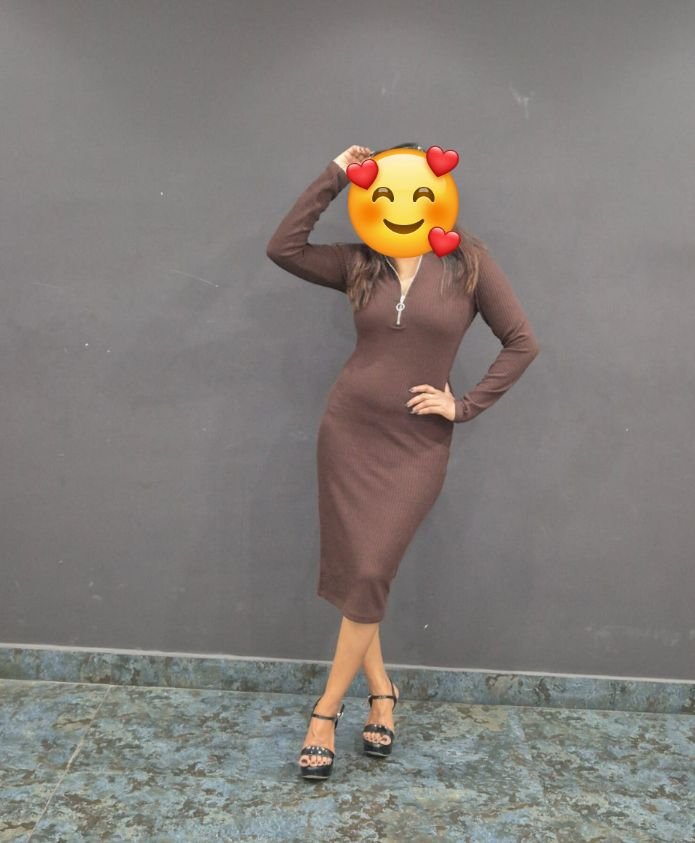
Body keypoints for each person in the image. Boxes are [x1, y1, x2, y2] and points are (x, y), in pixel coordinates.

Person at [266, 143, 540, 780]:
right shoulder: (359, 261)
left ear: (437, 192)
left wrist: (463, 406)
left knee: (370, 568)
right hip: (348, 433)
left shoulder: (468, 262)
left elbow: (522, 342)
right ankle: (382, 695)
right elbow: (283, 247)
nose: (402, 203)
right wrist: (335, 174)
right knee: (362, 576)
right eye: (386, 191)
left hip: (416, 443)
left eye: (417, 190)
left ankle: (324, 713)